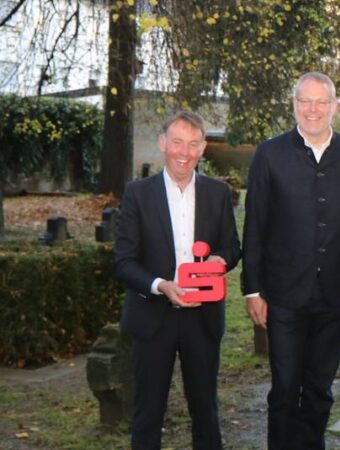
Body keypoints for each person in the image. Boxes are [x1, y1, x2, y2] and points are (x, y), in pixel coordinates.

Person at [241, 71, 340, 449]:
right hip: (282, 293)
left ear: (334, 106)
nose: (313, 109)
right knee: (284, 388)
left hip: (332, 293)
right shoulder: (270, 153)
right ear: (295, 105)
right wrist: (252, 289)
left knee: (320, 389)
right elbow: (255, 225)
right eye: (305, 101)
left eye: (321, 102)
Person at [115, 111, 242, 450]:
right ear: (162, 144)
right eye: (176, 143)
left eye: (193, 144)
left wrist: (221, 259)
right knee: (147, 413)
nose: (184, 153)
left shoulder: (218, 193)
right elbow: (124, 261)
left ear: (203, 148)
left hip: (202, 317)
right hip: (153, 316)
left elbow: (232, 246)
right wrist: (162, 285)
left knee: (206, 410)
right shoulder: (138, 193)